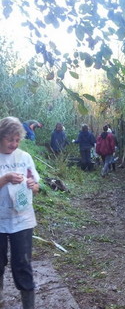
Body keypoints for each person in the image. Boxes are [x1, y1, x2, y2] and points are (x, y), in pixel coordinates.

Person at [0, 117, 40, 309]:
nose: (14, 144)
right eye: (10, 139)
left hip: (22, 219)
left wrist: (34, 185)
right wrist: (6, 178)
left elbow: (35, 183)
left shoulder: (24, 157)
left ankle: (28, 306)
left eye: (17, 140)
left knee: (22, 264)